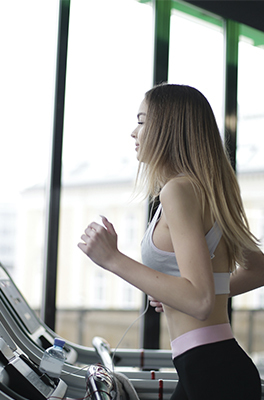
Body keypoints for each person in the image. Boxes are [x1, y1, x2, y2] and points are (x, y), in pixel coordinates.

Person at [78, 83, 264, 399]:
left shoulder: (177, 191)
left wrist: (113, 259)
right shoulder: (207, 190)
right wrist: (177, 295)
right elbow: (259, 270)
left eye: (141, 121)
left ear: (167, 127)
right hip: (210, 366)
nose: (133, 133)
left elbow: (200, 301)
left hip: (211, 372)